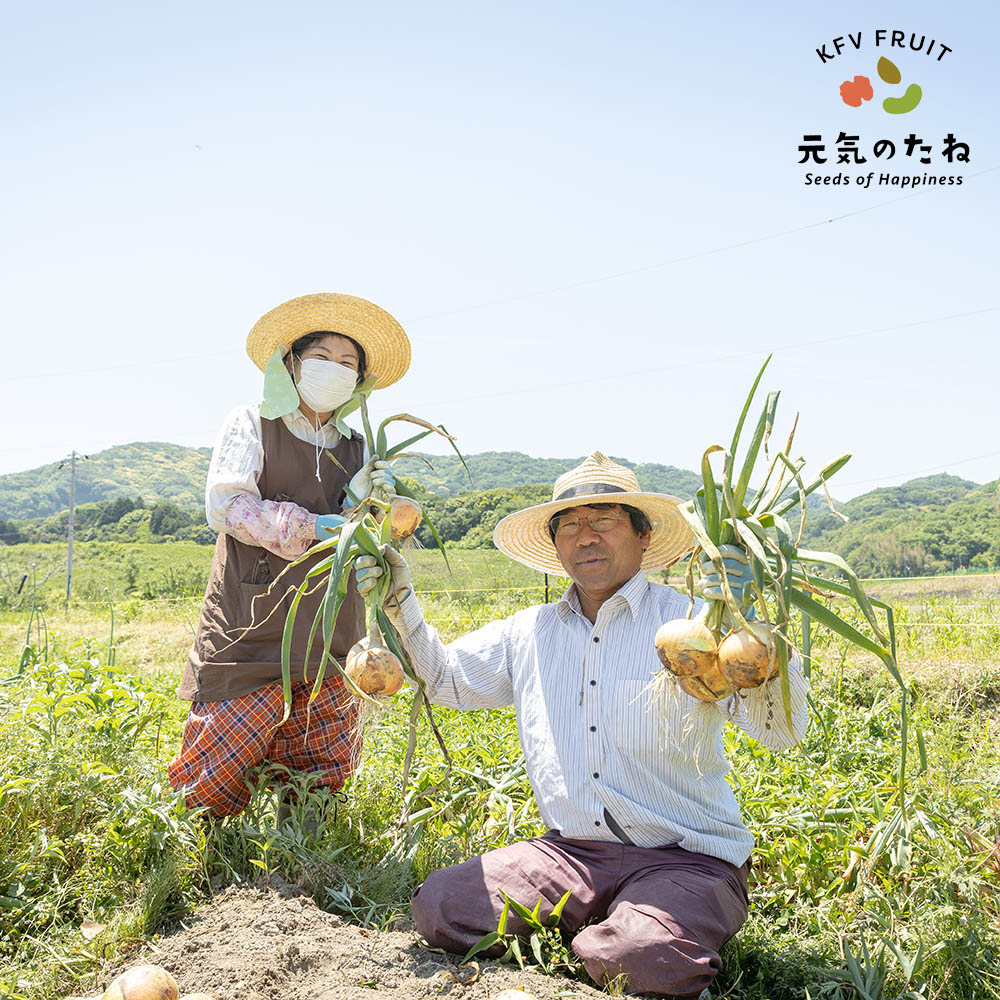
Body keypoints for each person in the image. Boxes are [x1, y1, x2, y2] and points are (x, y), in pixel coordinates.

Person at [355, 451, 809, 999]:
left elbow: (782, 731)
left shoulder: (694, 626)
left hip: (687, 857)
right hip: (571, 852)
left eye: (604, 520)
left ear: (643, 537)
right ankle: (610, 928)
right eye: (569, 525)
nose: (585, 536)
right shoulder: (529, 633)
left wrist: (755, 622)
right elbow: (444, 678)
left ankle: (637, 934)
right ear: (555, 546)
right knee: (441, 904)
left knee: (639, 955)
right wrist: (397, 597)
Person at [167, 292, 411, 823]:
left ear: (360, 381)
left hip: (331, 617)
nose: (336, 370)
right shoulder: (252, 423)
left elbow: (363, 525)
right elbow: (227, 505)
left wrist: (375, 504)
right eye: (323, 357)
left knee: (320, 759)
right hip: (252, 614)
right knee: (223, 754)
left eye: (349, 364)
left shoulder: (358, 444)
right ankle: (204, 861)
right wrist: (311, 525)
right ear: (292, 364)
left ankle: (305, 858)